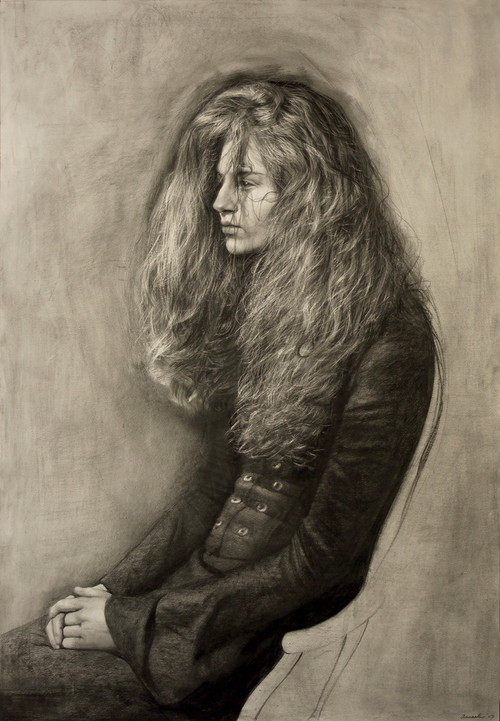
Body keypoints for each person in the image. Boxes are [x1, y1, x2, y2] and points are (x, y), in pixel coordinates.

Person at [0, 72, 440, 721]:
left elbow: (319, 562)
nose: (218, 201)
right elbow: (206, 494)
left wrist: (129, 621)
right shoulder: (271, 307)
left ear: (309, 194)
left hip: (250, 641)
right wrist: (107, 592)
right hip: (179, 611)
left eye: (245, 181)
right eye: (219, 180)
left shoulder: (392, 339)